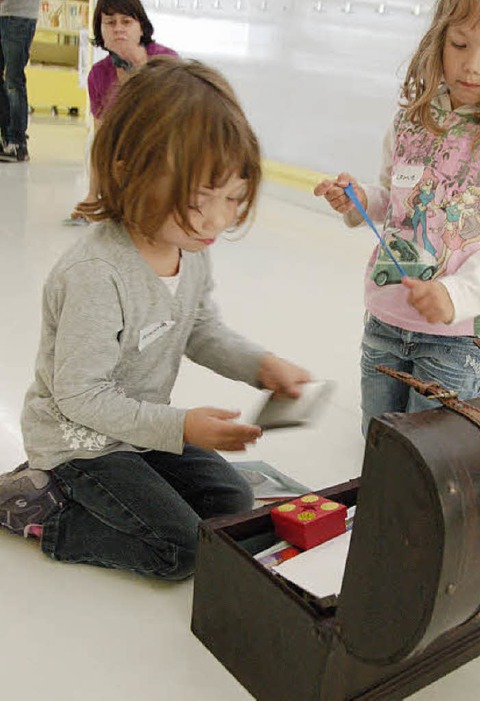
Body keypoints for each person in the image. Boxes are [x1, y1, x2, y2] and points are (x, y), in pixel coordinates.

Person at [0, 56, 311, 580]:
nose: (218, 220)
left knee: (233, 504)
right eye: (199, 199)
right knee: (181, 549)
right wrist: (181, 425)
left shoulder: (188, 245)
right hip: (80, 445)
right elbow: (80, 397)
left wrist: (261, 365)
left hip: (139, 431)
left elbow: (199, 327)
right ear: (128, 171)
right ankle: (39, 510)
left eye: (233, 197)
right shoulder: (97, 274)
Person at [314, 0, 480, 434]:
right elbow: (394, 197)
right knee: (381, 445)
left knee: (436, 466)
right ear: (438, 38)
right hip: (384, 322)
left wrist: (456, 294)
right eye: (459, 43)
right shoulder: (412, 116)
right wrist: (359, 199)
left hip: (455, 341)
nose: (472, 65)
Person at [70, 0, 177, 220]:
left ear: (141, 27)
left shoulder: (167, 61)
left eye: (126, 22)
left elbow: (173, 122)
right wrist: (92, 195)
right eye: (110, 22)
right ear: (100, 29)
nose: (118, 28)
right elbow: (101, 138)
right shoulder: (98, 75)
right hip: (125, 157)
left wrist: (140, 68)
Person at [0, 0, 38, 162]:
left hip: (19, 17)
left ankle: (17, 142)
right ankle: (6, 139)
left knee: (13, 80)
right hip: (4, 13)